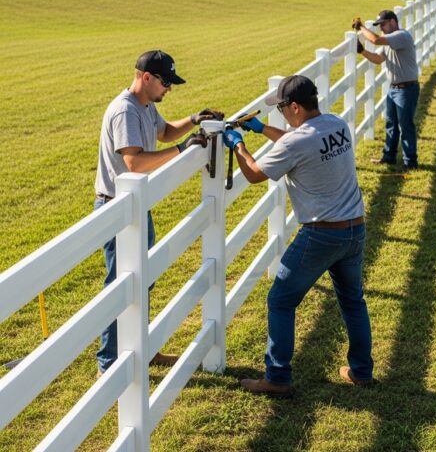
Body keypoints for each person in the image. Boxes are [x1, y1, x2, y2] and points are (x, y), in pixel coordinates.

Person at [222, 75, 374, 397]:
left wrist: (237, 144)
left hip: (322, 234)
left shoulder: (296, 142)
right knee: (352, 301)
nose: (280, 114)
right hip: (355, 228)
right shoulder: (336, 124)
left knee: (280, 300)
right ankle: (361, 371)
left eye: (280, 108)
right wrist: (262, 129)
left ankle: (276, 377)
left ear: (294, 106)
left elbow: (253, 174)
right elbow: (297, 142)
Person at [95, 49, 222, 375]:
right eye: (166, 81)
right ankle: (109, 364)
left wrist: (194, 119)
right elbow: (135, 162)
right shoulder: (126, 111)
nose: (170, 88)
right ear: (146, 77)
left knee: (142, 281)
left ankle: (142, 349)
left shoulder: (145, 106)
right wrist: (183, 149)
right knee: (120, 286)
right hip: (116, 208)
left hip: (136, 206)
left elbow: (164, 132)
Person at [353, 10, 420, 169]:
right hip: (394, 89)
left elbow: (375, 40)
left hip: (407, 89)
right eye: (379, 25)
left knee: (406, 126)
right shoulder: (390, 42)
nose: (381, 27)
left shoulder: (401, 36)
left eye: (383, 24)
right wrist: (362, 51)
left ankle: (410, 162)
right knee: (391, 124)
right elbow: (378, 59)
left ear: (392, 21)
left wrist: (361, 26)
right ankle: (389, 157)